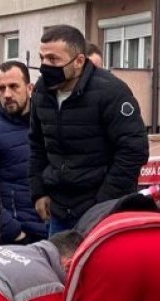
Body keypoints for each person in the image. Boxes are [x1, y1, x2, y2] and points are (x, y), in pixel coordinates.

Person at [29, 25, 149, 234]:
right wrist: (38, 192)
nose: (45, 66)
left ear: (79, 61)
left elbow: (133, 150)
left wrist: (104, 203)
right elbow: (37, 145)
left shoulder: (111, 91)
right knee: (59, 267)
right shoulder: (41, 92)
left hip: (103, 212)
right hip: (59, 212)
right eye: (42, 58)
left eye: (53, 59)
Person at [0, 61, 47, 244]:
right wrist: (12, 231)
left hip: (56, 232)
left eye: (14, 87)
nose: (7, 94)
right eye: (1, 88)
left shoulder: (49, 124)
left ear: (29, 88)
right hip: (19, 238)